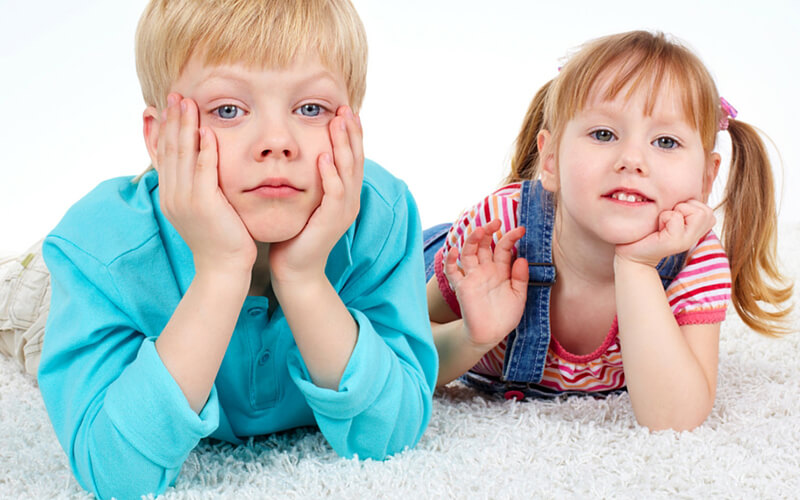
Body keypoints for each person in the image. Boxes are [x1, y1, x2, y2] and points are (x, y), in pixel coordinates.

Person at [0, 1, 438, 498]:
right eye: (228, 110)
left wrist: (304, 277)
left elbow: (390, 435)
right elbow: (117, 475)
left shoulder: (381, 217)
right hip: (39, 301)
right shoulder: (97, 250)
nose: (277, 142)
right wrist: (222, 271)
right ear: (162, 137)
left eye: (310, 109)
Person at [425, 30, 793, 432]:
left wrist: (636, 266)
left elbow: (674, 418)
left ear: (706, 179)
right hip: (439, 254)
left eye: (666, 142)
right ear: (550, 160)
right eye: (604, 134)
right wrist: (471, 338)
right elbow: (395, 349)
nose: (633, 159)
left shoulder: (695, 260)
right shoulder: (498, 231)